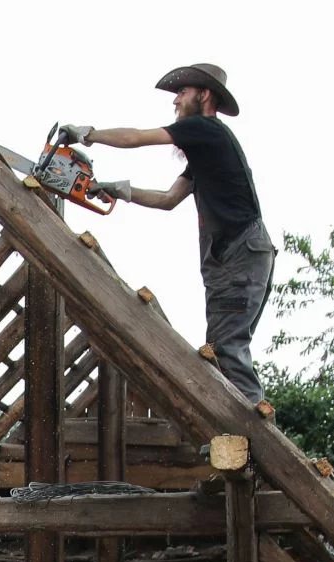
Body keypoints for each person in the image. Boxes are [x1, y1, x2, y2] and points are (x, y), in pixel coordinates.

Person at [63, 63, 274, 406]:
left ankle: (255, 446)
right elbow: (168, 200)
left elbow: (135, 138)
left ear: (204, 96)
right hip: (237, 256)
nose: (175, 100)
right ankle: (238, 434)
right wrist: (119, 190)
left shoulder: (205, 129)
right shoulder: (205, 152)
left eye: (182, 92)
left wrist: (90, 134)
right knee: (222, 350)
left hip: (240, 254)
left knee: (228, 349)